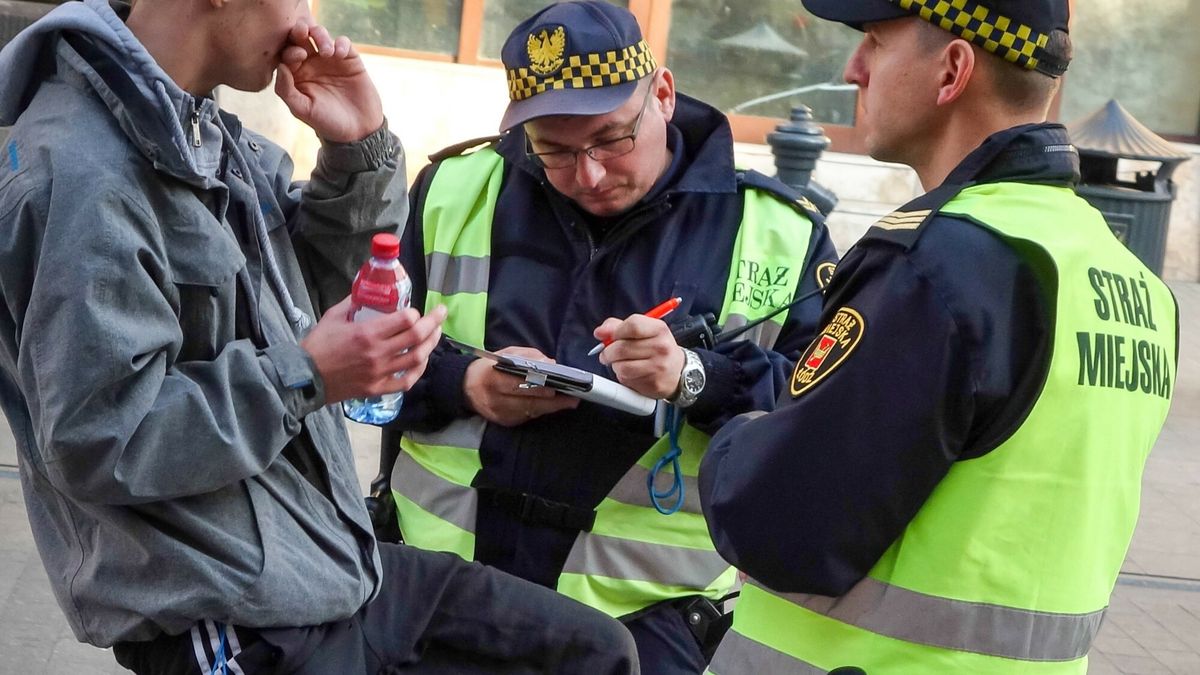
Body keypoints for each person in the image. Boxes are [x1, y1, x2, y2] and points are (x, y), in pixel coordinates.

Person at [0, 0, 641, 673]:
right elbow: (102, 440)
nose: (308, 20)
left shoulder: (203, 131)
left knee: (594, 654)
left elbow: (311, 299)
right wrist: (307, 375)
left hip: (329, 567)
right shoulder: (82, 174)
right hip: (233, 617)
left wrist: (358, 153)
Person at [698, 0, 1180, 673]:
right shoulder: (1134, 281)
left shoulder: (940, 262)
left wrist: (738, 432)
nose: (853, 69)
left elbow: (781, 525)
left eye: (874, 41)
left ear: (952, 69)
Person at [381, 2, 838, 672]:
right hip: (438, 605)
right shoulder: (454, 188)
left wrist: (696, 377)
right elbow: (364, 359)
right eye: (555, 150)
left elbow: (820, 426)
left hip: (645, 629)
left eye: (611, 139)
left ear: (663, 94)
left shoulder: (781, 233)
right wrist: (466, 382)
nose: (589, 174)